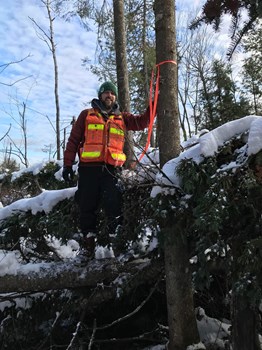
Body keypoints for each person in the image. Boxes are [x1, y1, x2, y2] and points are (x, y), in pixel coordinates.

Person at [62, 81, 150, 258]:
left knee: (114, 207)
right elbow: (73, 141)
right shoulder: (86, 115)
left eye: (112, 93)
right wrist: (67, 164)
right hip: (88, 170)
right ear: (100, 95)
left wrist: (153, 104)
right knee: (87, 207)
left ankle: (118, 247)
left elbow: (142, 122)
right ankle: (87, 249)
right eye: (105, 92)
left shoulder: (122, 118)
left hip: (112, 170)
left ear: (115, 97)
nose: (109, 95)